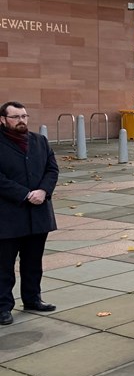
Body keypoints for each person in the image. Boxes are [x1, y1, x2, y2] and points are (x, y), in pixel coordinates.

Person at [0, 101, 59, 325]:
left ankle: (33, 298)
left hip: (38, 214)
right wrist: (25, 194)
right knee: (4, 265)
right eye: (15, 117)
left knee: (33, 261)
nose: (21, 121)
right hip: (8, 215)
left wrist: (44, 190)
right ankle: (3, 306)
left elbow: (52, 169)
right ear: (3, 120)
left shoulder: (39, 141)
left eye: (24, 116)